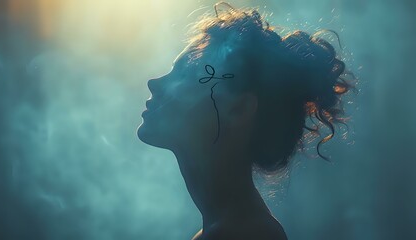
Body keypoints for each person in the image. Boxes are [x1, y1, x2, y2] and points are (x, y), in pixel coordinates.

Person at [137, 2, 355, 239]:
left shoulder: (243, 233)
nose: (154, 83)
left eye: (184, 75)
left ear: (238, 109)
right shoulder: (232, 229)